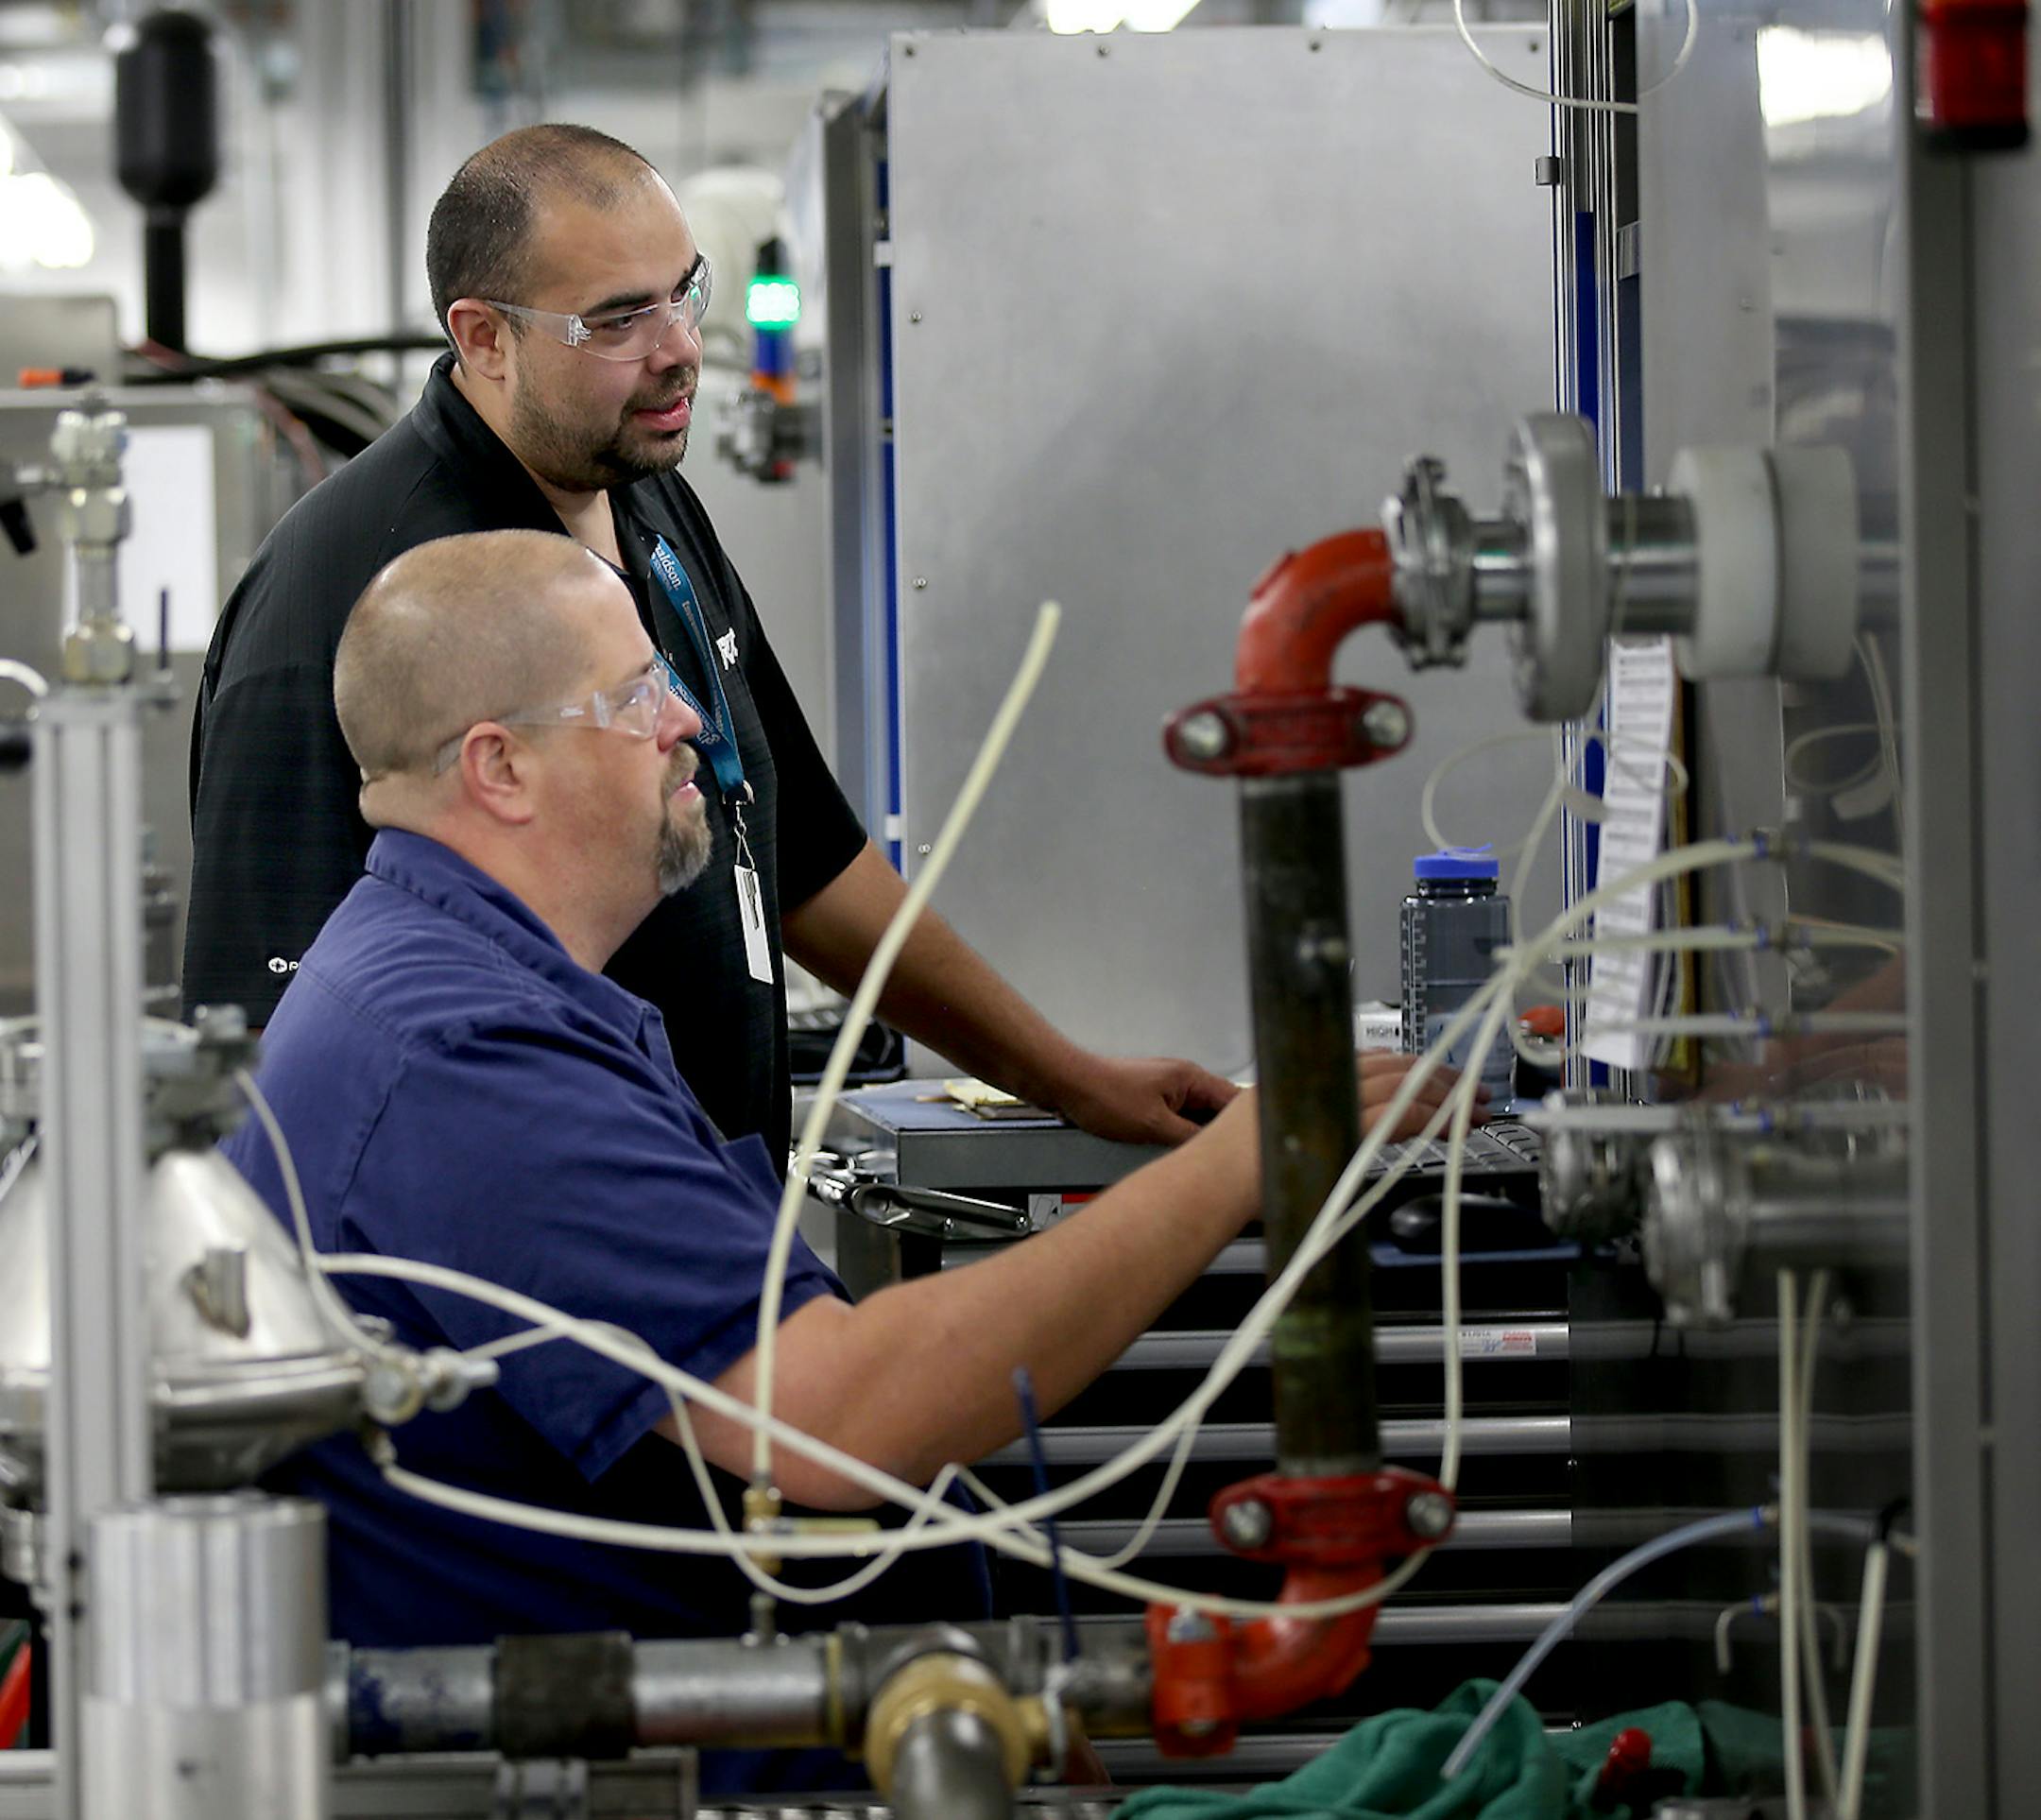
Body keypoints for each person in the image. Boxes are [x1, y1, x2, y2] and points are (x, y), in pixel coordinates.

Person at [223, 532, 1467, 1790]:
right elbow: (835, 1419)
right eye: (637, 695)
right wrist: (1252, 1158)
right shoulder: (461, 1056)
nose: (687, 723)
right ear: (501, 767)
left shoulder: (474, 988)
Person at [187, 121, 1231, 1166]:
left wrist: (1064, 1076)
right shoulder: (349, 597)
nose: (681, 347)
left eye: (685, 293)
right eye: (619, 320)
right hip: (543, 1232)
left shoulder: (645, 497)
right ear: (485, 338)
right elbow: (280, 1064)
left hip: (711, 1200)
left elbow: (804, 857)